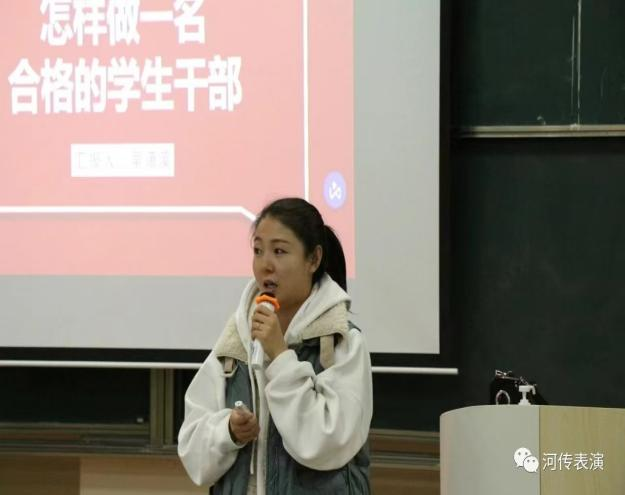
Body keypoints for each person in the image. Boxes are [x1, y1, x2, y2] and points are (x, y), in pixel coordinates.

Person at [178, 197, 373, 495]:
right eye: (258, 251)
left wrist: (280, 356)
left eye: (279, 251)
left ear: (313, 259)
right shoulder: (236, 343)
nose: (265, 265)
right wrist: (228, 431)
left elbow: (326, 442)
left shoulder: (340, 342)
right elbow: (194, 453)